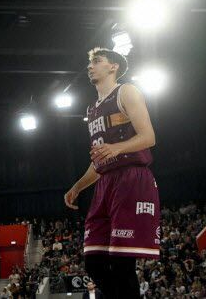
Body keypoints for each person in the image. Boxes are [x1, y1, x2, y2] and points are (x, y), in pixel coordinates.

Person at [64, 48, 159, 299]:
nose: (90, 66)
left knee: (121, 263)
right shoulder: (92, 109)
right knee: (93, 262)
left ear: (113, 66)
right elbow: (99, 161)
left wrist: (116, 148)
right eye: (89, 62)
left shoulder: (126, 91)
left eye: (97, 61)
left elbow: (148, 137)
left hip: (131, 178)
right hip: (105, 182)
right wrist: (78, 187)